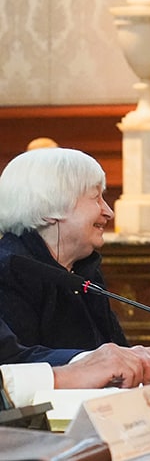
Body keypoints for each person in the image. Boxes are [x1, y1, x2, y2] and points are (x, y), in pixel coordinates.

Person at [0, 148, 127, 350]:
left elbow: (114, 352)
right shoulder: (9, 271)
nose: (108, 212)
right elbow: (17, 369)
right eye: (96, 198)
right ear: (50, 206)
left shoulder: (85, 268)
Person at [0, 316, 150, 408]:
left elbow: (11, 357)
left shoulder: (87, 267)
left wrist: (91, 362)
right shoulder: (10, 263)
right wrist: (63, 377)